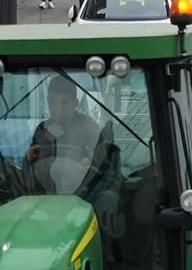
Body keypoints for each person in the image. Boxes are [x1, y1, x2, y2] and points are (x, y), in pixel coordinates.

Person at [25, 77, 121, 231]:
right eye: (53, 103)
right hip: (47, 196)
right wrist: (46, 143)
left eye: (64, 103)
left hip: (85, 195)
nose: (58, 110)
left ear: (75, 103)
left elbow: (101, 166)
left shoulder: (89, 128)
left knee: (108, 201)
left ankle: (106, 250)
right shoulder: (42, 130)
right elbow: (32, 167)